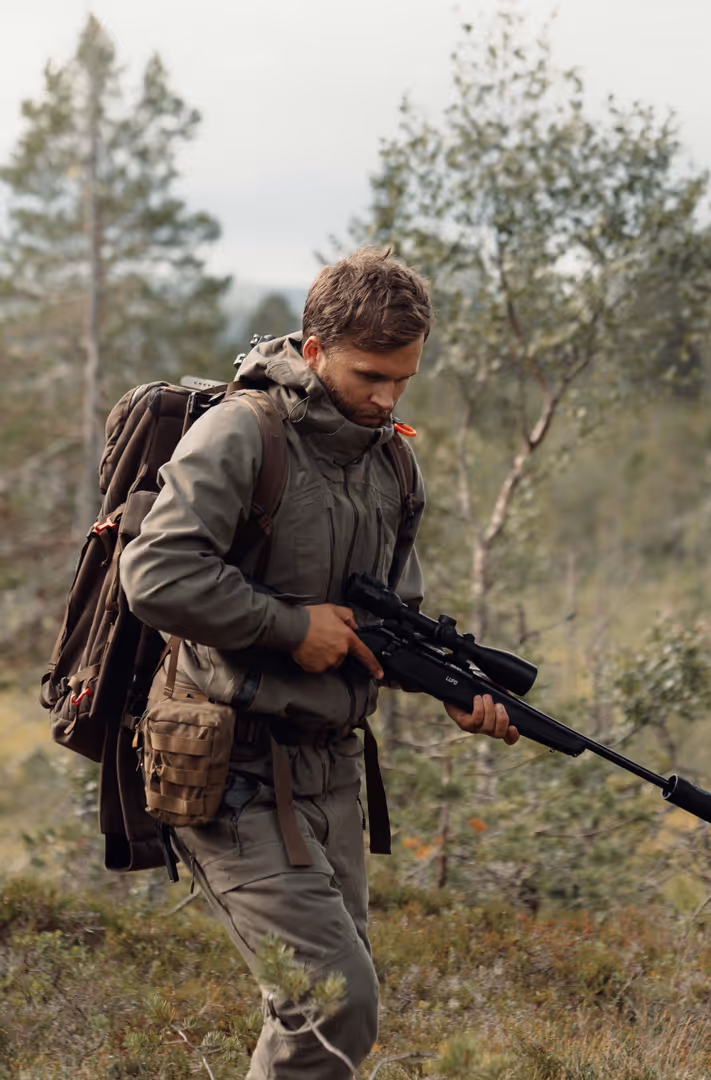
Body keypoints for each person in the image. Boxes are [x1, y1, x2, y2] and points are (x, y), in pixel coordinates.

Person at [119, 248, 519, 1079]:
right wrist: (290, 627)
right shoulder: (242, 433)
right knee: (332, 1003)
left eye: (402, 381)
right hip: (227, 762)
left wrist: (448, 687)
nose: (385, 399)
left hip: (329, 770)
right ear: (312, 351)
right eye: (370, 375)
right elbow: (155, 576)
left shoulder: (390, 462)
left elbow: (385, 621)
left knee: (328, 1010)